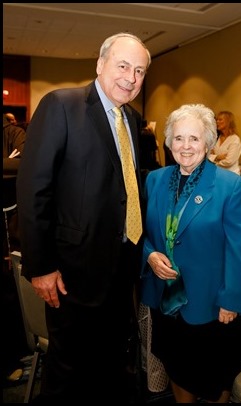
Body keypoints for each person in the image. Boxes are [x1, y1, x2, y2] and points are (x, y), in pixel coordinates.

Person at [16, 32, 151, 403]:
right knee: (68, 370)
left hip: (122, 267)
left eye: (139, 71)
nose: (131, 77)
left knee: (109, 362)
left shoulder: (134, 120)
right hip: (72, 270)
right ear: (100, 64)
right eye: (123, 66)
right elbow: (33, 189)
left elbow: (127, 191)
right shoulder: (61, 104)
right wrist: (40, 266)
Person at [139, 104, 241, 403]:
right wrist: (150, 255)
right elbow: (142, 233)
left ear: (208, 142)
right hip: (166, 297)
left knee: (212, 376)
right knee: (176, 365)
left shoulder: (229, 186)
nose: (185, 146)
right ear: (168, 142)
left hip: (211, 303)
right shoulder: (154, 180)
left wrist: (231, 300)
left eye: (194, 138)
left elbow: (239, 250)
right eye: (178, 138)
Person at [2, 113, 28, 383]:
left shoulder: (13, 132)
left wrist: (12, 163)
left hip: (12, 221)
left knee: (10, 290)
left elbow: (24, 164)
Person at [208, 110, 241, 175]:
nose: (217, 122)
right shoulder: (216, 138)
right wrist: (217, 157)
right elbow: (207, 155)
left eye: (220, 120)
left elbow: (229, 161)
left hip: (231, 176)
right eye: (217, 119)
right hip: (218, 174)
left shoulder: (234, 139)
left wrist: (214, 163)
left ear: (228, 122)